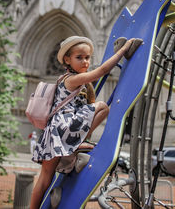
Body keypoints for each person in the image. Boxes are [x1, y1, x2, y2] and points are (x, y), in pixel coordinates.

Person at [30, 35, 138, 208]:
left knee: (44, 179)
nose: (85, 62)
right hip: (64, 129)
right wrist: (124, 50)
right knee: (103, 107)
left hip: (53, 133)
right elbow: (101, 72)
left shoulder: (65, 80)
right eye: (79, 57)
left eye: (87, 58)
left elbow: (88, 103)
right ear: (67, 59)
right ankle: (79, 143)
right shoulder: (73, 79)